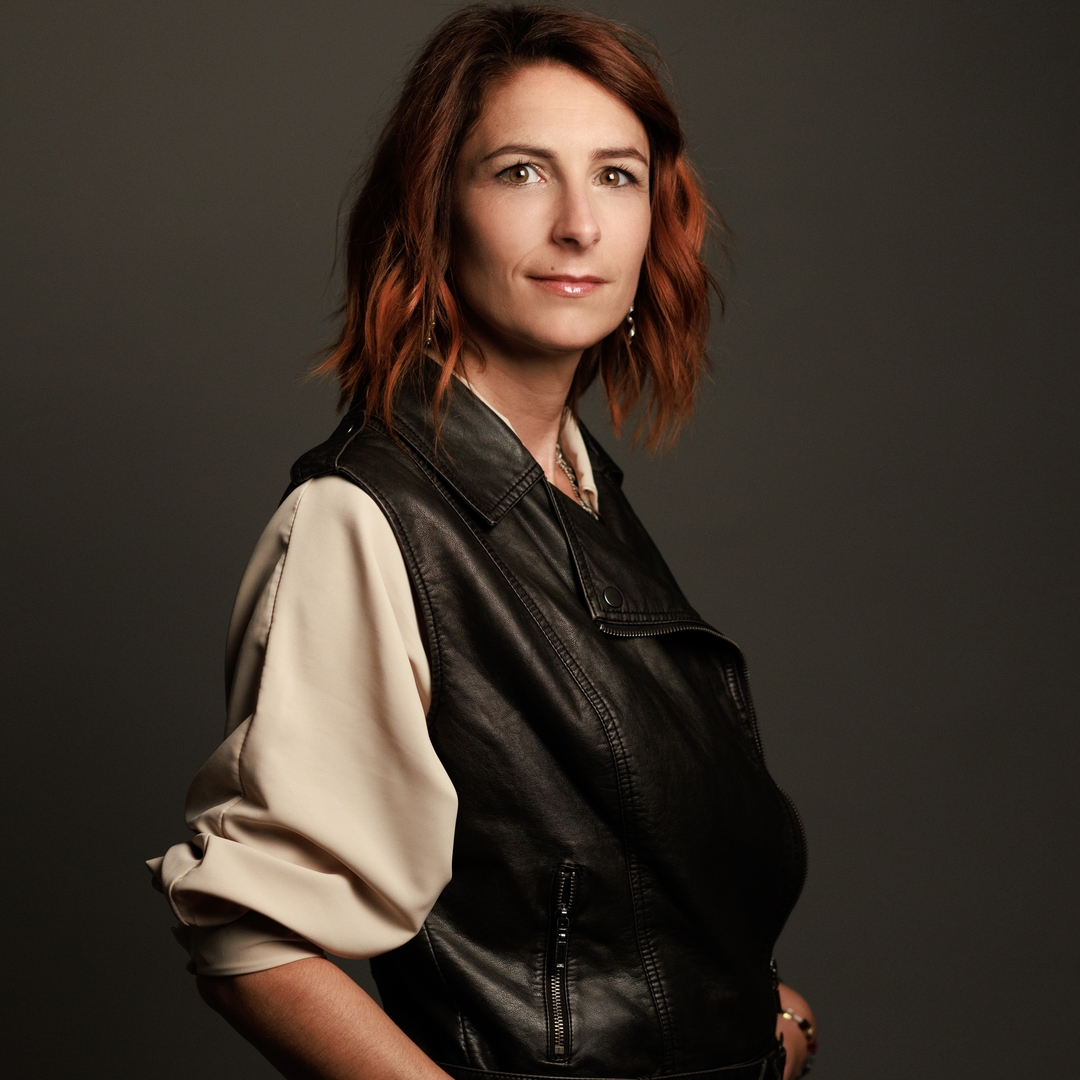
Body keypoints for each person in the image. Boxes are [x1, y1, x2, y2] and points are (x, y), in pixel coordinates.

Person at [149, 6, 816, 1079]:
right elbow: (251, 936)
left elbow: (624, 897)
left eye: (617, 175)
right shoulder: (367, 519)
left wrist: (764, 1019)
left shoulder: (577, 490)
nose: (578, 225)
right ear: (433, 215)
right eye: (520, 172)